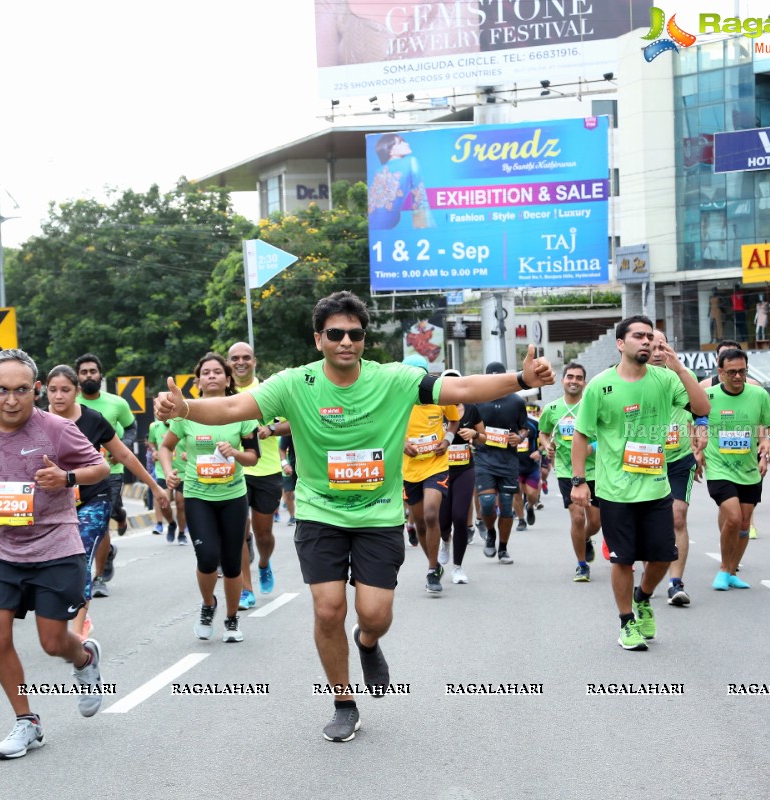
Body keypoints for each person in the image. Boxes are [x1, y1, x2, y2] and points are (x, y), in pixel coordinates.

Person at [153, 290, 554, 741]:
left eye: (355, 334)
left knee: (374, 614)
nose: (346, 341)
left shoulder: (395, 379)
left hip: (378, 515)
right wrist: (185, 408)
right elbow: (230, 407)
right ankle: (344, 702)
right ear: (319, 339)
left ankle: (368, 643)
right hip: (319, 512)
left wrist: (520, 378)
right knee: (328, 611)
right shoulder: (294, 383)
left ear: (364, 339)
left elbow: (458, 389)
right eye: (336, 333)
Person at [0, 349, 108, 759]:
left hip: (55, 543)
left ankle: (85, 656)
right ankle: (26, 722)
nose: (12, 400)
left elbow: (99, 468)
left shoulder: (56, 429)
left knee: (53, 642)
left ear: (36, 391)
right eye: (2, 390)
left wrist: (66, 477)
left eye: (22, 391)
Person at [571, 315, 710, 651]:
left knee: (663, 557)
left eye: (651, 337)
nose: (647, 341)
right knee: (622, 559)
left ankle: (643, 596)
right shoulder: (601, 386)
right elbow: (581, 435)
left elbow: (702, 407)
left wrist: (679, 369)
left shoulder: (665, 380)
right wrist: (579, 481)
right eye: (639, 336)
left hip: (655, 486)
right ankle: (626, 622)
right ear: (621, 343)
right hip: (615, 490)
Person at [45, 365, 169, 619]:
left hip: (93, 497)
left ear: (77, 392)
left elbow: (124, 454)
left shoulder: (93, 419)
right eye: (53, 390)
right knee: (58, 563)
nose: (58, 396)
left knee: (80, 557)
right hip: (54, 502)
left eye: (65, 390)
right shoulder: (36, 421)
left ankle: (80, 630)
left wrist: (155, 487)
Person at [157, 353, 260, 642]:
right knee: (206, 557)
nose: (212, 376)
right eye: (206, 372)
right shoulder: (185, 414)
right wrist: (169, 472)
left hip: (233, 496)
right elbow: (166, 448)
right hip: (198, 496)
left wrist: (235, 453)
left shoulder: (242, 414)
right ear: (198, 380)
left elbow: (252, 458)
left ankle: (231, 619)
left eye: (218, 372)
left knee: (231, 562)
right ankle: (208, 605)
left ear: (228, 379)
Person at [701, 348, 770, 591]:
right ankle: (724, 569)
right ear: (720, 372)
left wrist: (768, 440)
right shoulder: (707, 396)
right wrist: (697, 448)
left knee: (744, 524)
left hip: (749, 470)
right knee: (733, 517)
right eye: (731, 372)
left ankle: (733, 570)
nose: (737, 376)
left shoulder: (759, 395)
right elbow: (693, 423)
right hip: (719, 467)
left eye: (742, 371)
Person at [228, 341, 290, 608]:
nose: (240, 362)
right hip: (232, 473)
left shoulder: (268, 391)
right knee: (238, 533)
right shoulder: (223, 392)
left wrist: (272, 430)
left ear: (254, 361)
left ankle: (264, 563)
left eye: (246, 357)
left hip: (266, 471)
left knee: (263, 534)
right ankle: (246, 588)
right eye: (235, 358)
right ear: (228, 362)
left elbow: (294, 421)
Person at [74, 354, 136, 591]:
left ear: (100, 375)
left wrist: (123, 445)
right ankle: (107, 551)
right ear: (77, 378)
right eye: (84, 372)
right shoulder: (70, 402)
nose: (89, 375)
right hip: (77, 474)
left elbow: (131, 427)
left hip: (110, 471)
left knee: (99, 523)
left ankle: (98, 578)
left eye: (93, 371)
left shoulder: (116, 403)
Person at [398, 354, 460, 593]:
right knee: (421, 523)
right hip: (410, 468)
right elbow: (385, 426)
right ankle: (432, 564)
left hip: (436, 464)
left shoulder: (440, 394)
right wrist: (402, 443)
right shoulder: (398, 399)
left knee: (431, 513)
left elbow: (453, 421)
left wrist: (447, 440)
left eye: (420, 376)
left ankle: (432, 569)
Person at [650, 331, 702, 606]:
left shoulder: (681, 375)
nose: (657, 352)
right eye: (651, 346)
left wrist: (701, 429)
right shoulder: (629, 377)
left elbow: (700, 408)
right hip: (643, 460)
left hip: (679, 457)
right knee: (649, 522)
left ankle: (675, 583)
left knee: (678, 516)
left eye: (662, 346)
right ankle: (651, 571)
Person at [539, 362, 600, 582]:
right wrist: (547, 445)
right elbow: (544, 433)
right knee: (576, 517)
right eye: (570, 377)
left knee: (594, 523)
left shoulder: (593, 406)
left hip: (595, 470)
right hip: (567, 470)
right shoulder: (552, 409)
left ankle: (585, 539)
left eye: (578, 378)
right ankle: (582, 565)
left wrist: (593, 448)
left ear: (584, 382)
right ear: (563, 380)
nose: (574, 381)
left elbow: (608, 435)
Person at [471, 362, 529, 565]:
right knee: (487, 503)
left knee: (506, 507)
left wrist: (519, 438)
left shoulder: (516, 401)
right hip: (484, 459)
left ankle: (503, 548)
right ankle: (490, 533)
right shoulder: (476, 401)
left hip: (508, 461)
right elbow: (467, 426)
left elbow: (525, 428)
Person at [438, 370, 477, 585]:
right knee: (443, 520)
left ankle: (458, 567)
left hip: (465, 469)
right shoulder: (436, 409)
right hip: (440, 469)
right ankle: (445, 541)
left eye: (456, 382)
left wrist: (475, 435)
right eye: (448, 382)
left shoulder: (471, 409)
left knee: (460, 517)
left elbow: (484, 438)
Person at [367, 133, 433, 230]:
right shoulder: (410, 161)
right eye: (400, 142)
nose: (406, 144)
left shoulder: (378, 171)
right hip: (390, 222)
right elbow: (419, 196)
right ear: (390, 150)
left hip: (373, 226)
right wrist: (423, 229)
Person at [513, 413, 541, 532]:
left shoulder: (534, 423)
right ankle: (521, 520)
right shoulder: (509, 423)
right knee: (516, 493)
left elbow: (547, 438)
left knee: (532, 495)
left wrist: (539, 452)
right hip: (514, 466)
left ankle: (529, 507)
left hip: (531, 466)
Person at [280, 433, 297, 525]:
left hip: (309, 468)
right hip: (291, 466)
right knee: (288, 493)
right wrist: (284, 464)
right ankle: (292, 516)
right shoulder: (289, 429)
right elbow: (282, 449)